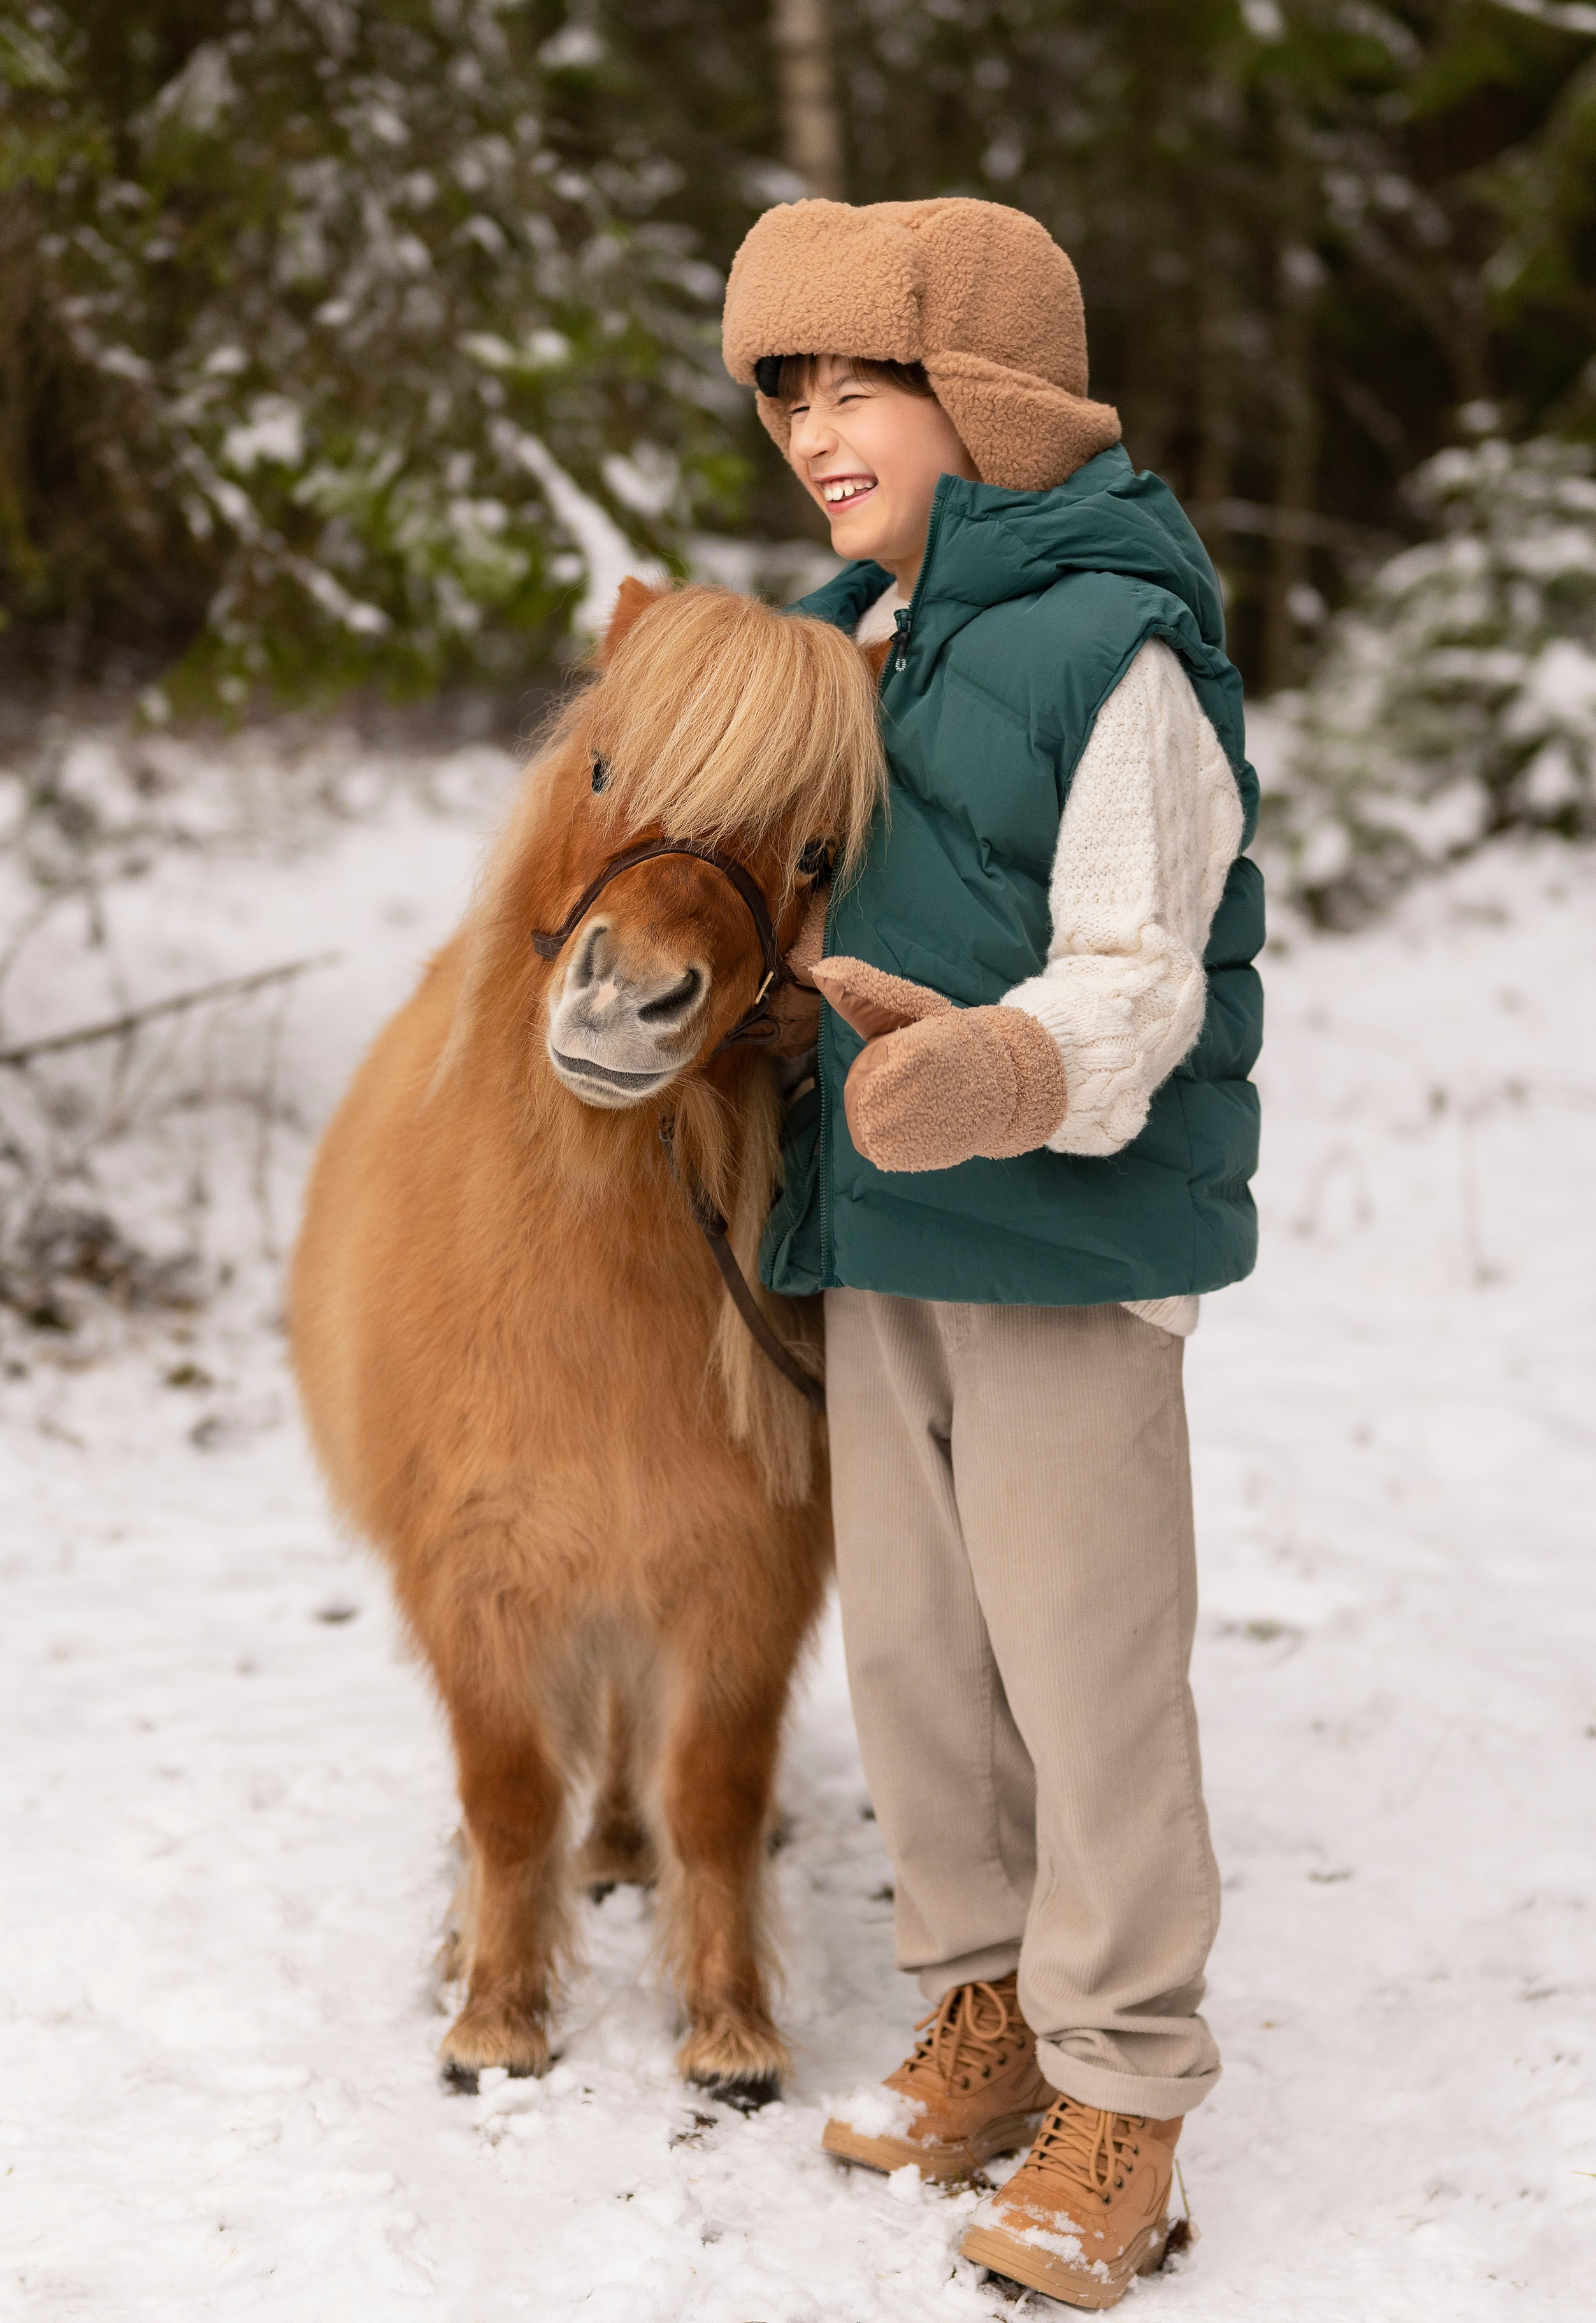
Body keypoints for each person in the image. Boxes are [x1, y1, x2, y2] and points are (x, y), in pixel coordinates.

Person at [720, 196, 1262, 2310]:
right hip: (884, 1231)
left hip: (1060, 1233)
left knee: (1085, 1667)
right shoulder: (848, 635)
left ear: (990, 394)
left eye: (859, 385)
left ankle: (1125, 2083)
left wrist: (1002, 1073)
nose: (814, 431)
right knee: (925, 1658)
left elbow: (1146, 969)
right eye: (788, 393)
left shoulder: (1111, 639)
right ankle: (986, 2002)